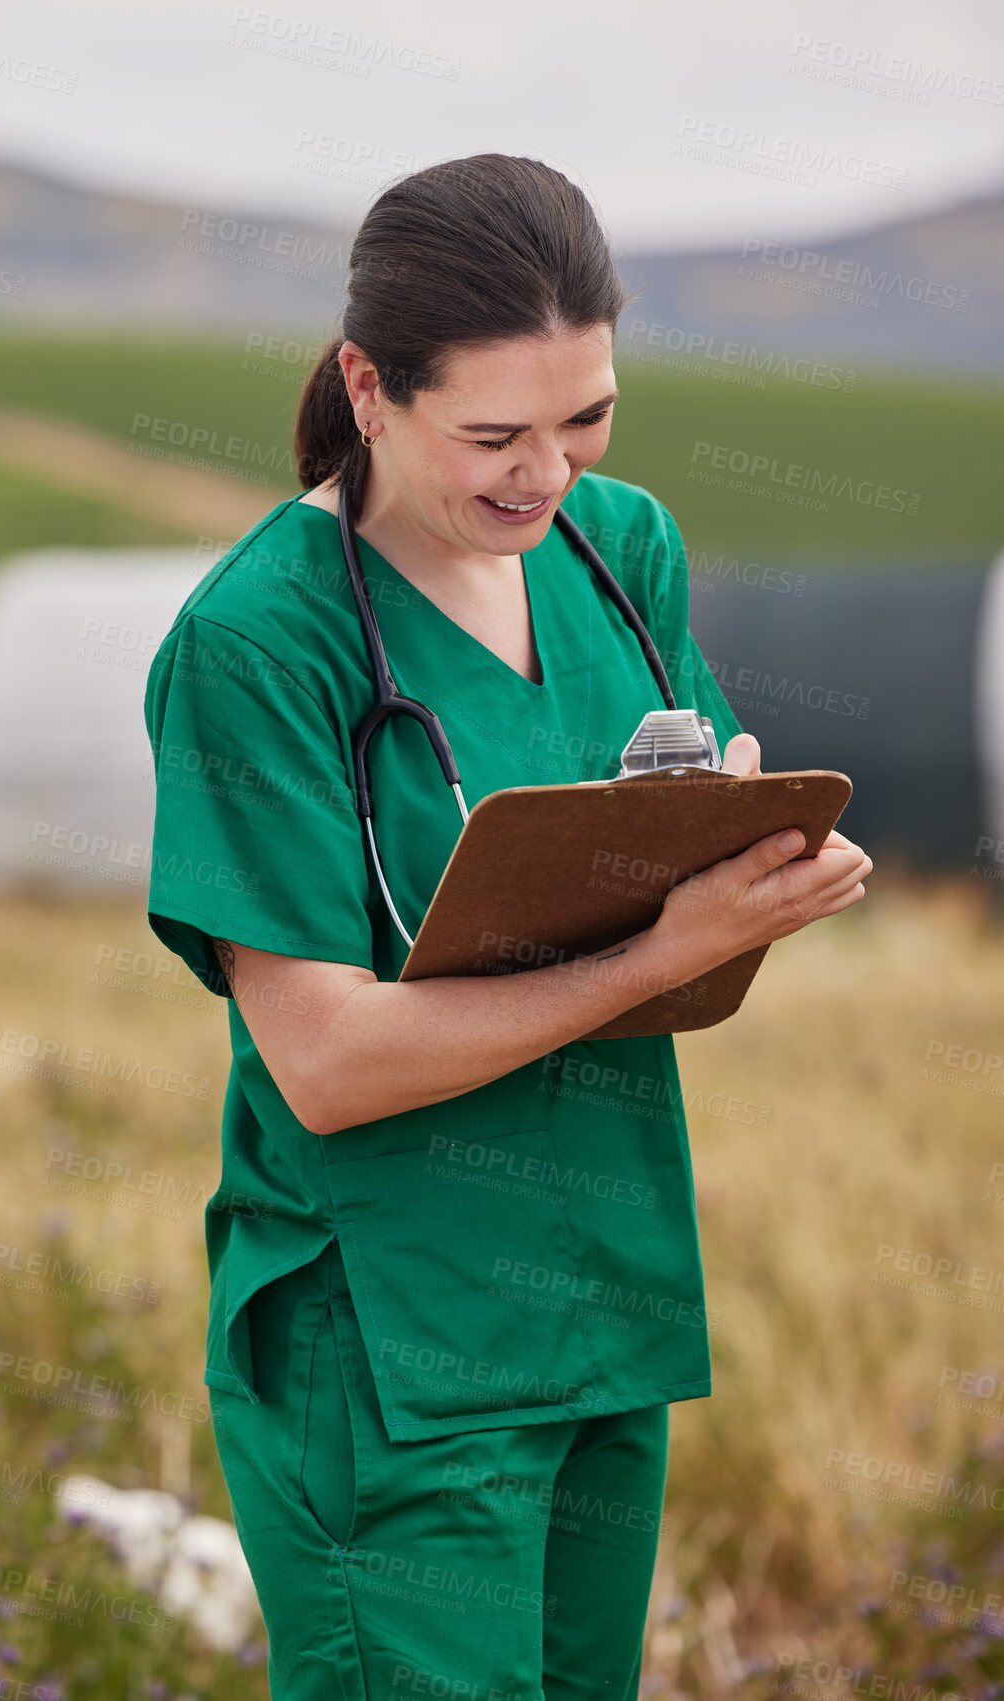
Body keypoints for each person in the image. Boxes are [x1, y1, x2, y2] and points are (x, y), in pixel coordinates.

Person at [143, 153, 871, 1701]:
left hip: (604, 1289)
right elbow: (328, 1061)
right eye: (494, 433)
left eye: (585, 416)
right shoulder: (260, 641)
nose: (546, 472)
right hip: (392, 1342)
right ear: (368, 385)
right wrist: (660, 950)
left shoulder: (623, 553)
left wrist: (746, 872)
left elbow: (685, 860)